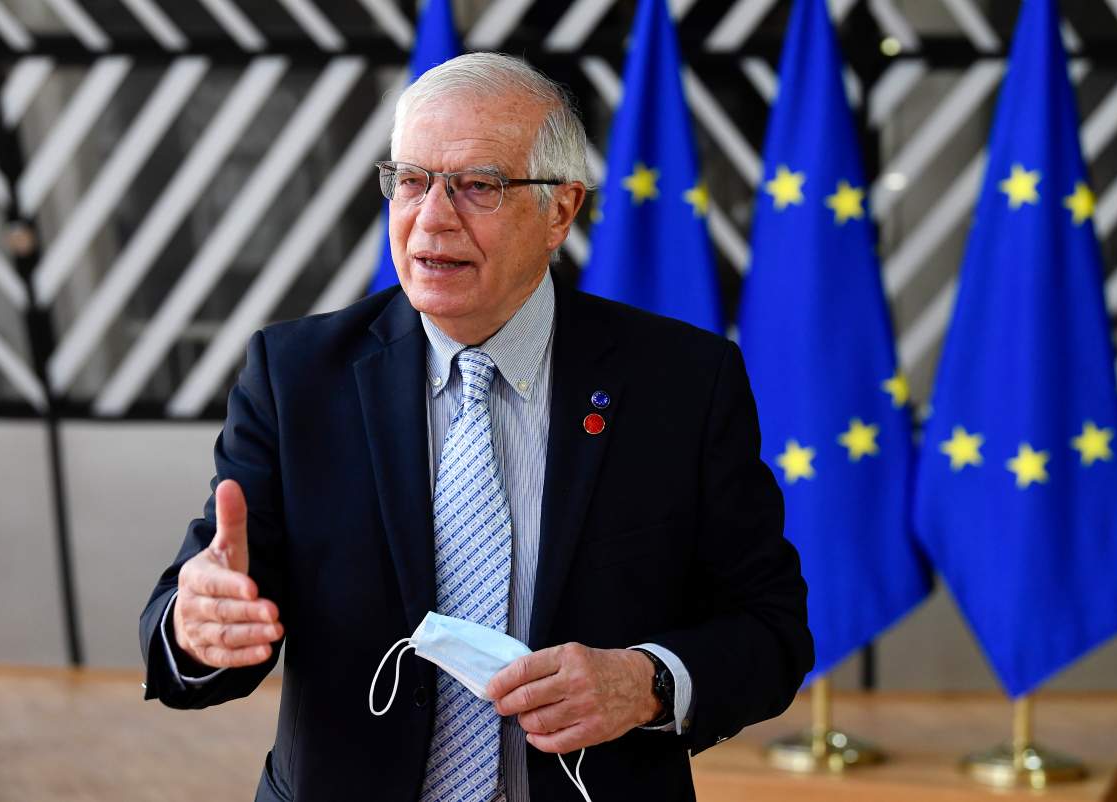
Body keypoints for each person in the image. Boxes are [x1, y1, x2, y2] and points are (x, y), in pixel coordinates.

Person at [140, 52, 813, 802]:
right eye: (410, 181)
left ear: (560, 210)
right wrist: (198, 626)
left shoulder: (683, 383)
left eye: (478, 186)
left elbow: (771, 629)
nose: (431, 218)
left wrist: (646, 682)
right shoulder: (295, 376)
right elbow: (203, 606)